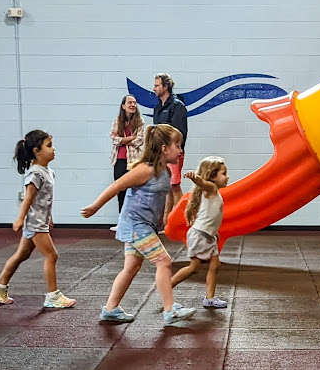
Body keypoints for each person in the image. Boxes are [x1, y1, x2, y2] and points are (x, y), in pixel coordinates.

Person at [81, 124, 196, 325]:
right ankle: (169, 310)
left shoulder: (166, 171)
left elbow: (164, 197)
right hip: (135, 225)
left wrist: (165, 218)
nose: (180, 150)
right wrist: (95, 207)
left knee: (131, 267)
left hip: (145, 226)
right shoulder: (145, 170)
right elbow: (117, 186)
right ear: (164, 148)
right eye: (177, 145)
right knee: (164, 262)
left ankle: (110, 309)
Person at [0, 130, 76, 308]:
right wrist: (20, 218)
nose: (53, 149)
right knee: (51, 255)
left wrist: (50, 217)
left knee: (22, 254)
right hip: (35, 223)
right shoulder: (35, 173)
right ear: (36, 151)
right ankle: (53, 296)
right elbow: (28, 198)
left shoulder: (48, 172)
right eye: (49, 146)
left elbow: (45, 199)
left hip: (40, 221)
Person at [171, 156, 229, 308]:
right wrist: (194, 177)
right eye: (223, 173)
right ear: (212, 176)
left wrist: (213, 231)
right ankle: (167, 288)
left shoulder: (214, 192)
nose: (227, 177)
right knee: (194, 268)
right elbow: (203, 183)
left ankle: (210, 298)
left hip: (208, 235)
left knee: (215, 265)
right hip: (200, 235)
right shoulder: (211, 188)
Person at [152, 73, 188, 228]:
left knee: (174, 186)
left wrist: (174, 153)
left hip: (172, 154)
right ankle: (167, 222)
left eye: (157, 85)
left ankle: (184, 220)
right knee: (167, 187)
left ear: (165, 86)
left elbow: (179, 134)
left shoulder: (177, 106)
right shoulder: (158, 107)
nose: (154, 89)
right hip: (161, 154)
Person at [109, 95, 145, 232]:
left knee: (134, 192)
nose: (132, 105)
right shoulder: (117, 121)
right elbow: (114, 139)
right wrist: (130, 138)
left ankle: (134, 223)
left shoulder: (140, 122)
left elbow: (140, 140)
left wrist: (122, 140)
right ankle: (122, 222)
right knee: (120, 191)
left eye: (134, 103)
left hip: (134, 161)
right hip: (119, 159)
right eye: (129, 102)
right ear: (123, 106)